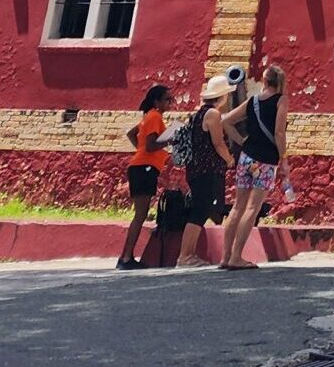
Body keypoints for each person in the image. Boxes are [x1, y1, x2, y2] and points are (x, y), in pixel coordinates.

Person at [220, 63, 288, 271]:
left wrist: (242, 142)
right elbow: (278, 132)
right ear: (280, 83)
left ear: (265, 81)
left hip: (246, 158)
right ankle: (237, 257)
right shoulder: (281, 101)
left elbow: (226, 121)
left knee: (237, 206)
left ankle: (225, 257)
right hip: (266, 160)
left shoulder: (253, 101)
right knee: (252, 207)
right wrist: (284, 159)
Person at [175, 76, 236, 268]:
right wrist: (229, 159)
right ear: (222, 96)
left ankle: (188, 254)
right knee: (199, 211)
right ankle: (185, 255)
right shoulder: (213, 114)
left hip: (196, 169)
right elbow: (218, 143)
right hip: (206, 170)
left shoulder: (197, 114)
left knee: (200, 210)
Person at [118, 83, 172, 269]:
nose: (170, 103)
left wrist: (139, 151)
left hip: (141, 166)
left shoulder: (148, 117)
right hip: (144, 168)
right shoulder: (155, 116)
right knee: (140, 215)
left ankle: (126, 256)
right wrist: (170, 139)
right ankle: (126, 257)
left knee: (139, 214)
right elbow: (150, 145)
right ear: (156, 101)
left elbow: (132, 133)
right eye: (167, 99)